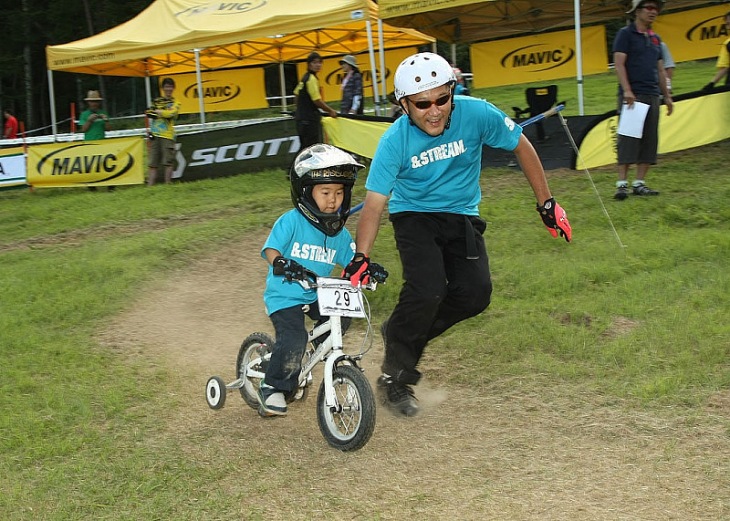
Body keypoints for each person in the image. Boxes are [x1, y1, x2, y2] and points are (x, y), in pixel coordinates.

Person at [342, 52, 572, 418]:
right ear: (404, 105)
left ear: (452, 92)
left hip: (462, 214)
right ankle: (396, 378)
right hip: (414, 215)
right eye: (422, 103)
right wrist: (361, 256)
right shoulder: (393, 142)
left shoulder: (477, 113)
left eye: (442, 99)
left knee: (475, 295)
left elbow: (521, 144)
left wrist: (547, 204)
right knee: (428, 290)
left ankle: (401, 331)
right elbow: (372, 206)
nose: (434, 111)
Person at [258, 143, 385, 416]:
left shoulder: (337, 234)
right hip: (285, 294)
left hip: (318, 292)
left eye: (339, 193)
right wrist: (280, 262)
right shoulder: (290, 221)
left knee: (343, 313)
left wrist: (367, 269)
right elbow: (271, 249)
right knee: (294, 337)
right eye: (325, 192)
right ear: (305, 192)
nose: (333, 200)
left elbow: (352, 260)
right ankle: (273, 387)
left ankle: (317, 353)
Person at [612, 0, 673, 200]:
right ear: (637, 11)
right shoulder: (625, 34)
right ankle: (622, 184)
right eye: (648, 7)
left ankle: (639, 183)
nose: (653, 12)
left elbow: (661, 69)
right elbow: (619, 64)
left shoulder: (656, 38)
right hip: (633, 95)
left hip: (652, 94)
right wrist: (627, 90)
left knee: (649, 139)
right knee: (628, 138)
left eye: (655, 9)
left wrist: (667, 96)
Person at [293, 52, 337, 151]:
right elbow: (317, 100)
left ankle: (295, 166)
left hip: (301, 118)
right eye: (315, 62)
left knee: (305, 148)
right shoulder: (311, 79)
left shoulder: (305, 78)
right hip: (309, 119)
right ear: (309, 64)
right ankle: (295, 166)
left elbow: (296, 94)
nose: (318, 65)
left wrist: (300, 109)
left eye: (320, 63)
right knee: (311, 148)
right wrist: (330, 111)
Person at [146, 77, 181, 186]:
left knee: (168, 162)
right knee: (153, 163)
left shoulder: (176, 102)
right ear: (163, 88)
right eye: (166, 86)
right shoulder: (156, 101)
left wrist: (159, 112)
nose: (168, 89)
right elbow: (148, 113)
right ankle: (150, 187)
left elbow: (171, 114)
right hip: (155, 134)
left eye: (170, 86)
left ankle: (167, 185)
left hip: (168, 135)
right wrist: (163, 112)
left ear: (173, 88)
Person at [79, 90, 114, 191]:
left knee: (105, 164)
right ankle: (92, 186)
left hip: (102, 142)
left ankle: (110, 184)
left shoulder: (103, 112)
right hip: (89, 143)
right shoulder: (84, 114)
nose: (94, 103)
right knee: (91, 166)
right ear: (88, 103)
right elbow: (83, 129)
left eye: (96, 101)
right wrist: (89, 120)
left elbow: (109, 129)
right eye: (92, 101)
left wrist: (106, 120)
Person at [703, 11, 730, 91]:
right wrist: (711, 84)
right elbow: (725, 67)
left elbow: (725, 67)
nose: (728, 27)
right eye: (727, 24)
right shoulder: (727, 44)